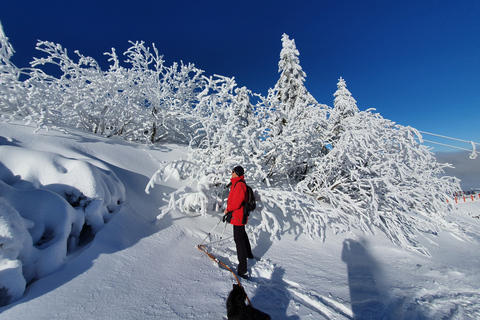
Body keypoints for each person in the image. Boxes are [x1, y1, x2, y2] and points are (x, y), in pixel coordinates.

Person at [224, 165, 254, 279]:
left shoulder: (240, 184)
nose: (231, 173)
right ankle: (249, 254)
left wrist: (228, 209)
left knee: (238, 240)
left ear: (237, 173)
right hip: (237, 214)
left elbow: (237, 202)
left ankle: (243, 270)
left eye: (233, 171)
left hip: (238, 215)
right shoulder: (236, 183)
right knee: (242, 236)